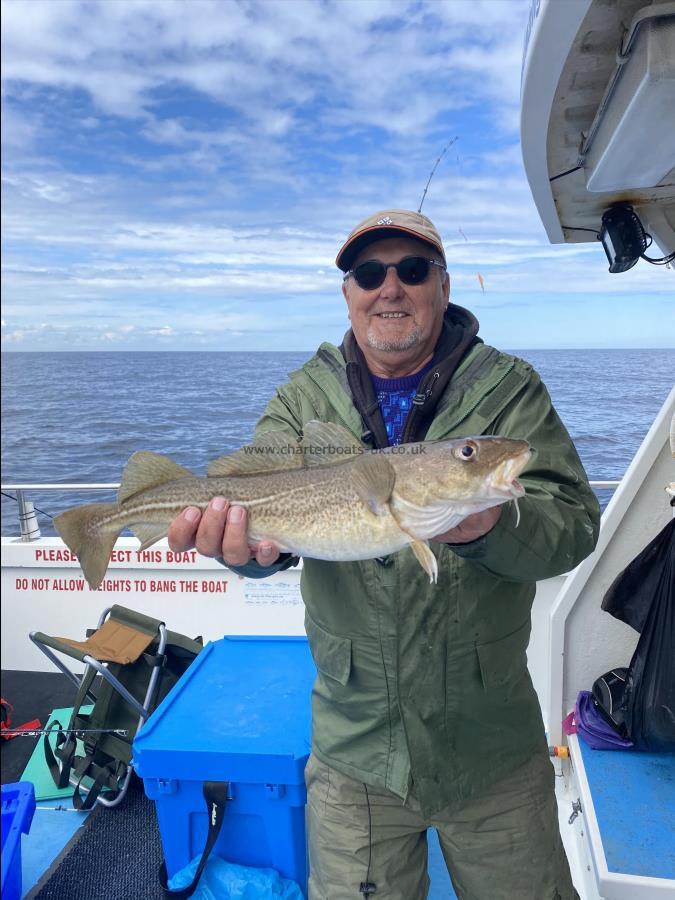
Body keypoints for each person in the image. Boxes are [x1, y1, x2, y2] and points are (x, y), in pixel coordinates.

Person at [168, 209, 600, 900]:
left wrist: (482, 526)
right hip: (355, 749)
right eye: (369, 273)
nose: (389, 287)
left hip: (490, 746)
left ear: (443, 284)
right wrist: (242, 553)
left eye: (412, 269)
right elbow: (262, 523)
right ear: (347, 292)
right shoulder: (303, 397)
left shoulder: (508, 390)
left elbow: (574, 528)